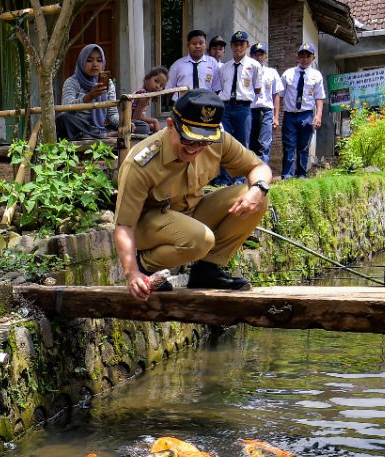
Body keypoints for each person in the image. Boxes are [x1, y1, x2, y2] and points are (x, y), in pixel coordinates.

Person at [114, 88, 272, 300]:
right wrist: (132, 271)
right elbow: (124, 226)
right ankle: (147, 265)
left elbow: (259, 167)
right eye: (189, 140)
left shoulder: (218, 141)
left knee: (258, 196)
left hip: (191, 215)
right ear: (171, 126)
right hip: (150, 227)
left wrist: (258, 189)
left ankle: (208, 270)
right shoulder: (142, 162)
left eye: (204, 141)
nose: (196, 148)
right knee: (200, 239)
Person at [215, 31, 262, 185]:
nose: (238, 47)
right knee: (224, 142)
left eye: (242, 44)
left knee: (242, 143)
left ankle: (240, 178)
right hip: (226, 108)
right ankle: (224, 178)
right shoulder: (224, 68)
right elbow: (220, 88)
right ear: (231, 46)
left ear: (247, 46)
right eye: (235, 44)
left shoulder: (254, 65)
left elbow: (257, 89)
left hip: (243, 108)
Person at [279, 42, 325, 179]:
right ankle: (287, 175)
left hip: (306, 115)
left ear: (313, 58)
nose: (304, 59)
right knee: (288, 145)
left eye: (308, 56)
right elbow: (279, 95)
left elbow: (319, 98)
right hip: (290, 115)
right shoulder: (288, 74)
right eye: (302, 55)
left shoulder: (316, 75)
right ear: (297, 57)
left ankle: (301, 174)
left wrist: (318, 116)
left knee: (303, 146)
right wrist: (275, 115)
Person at [57, 44, 120, 141]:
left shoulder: (108, 83)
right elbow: (66, 108)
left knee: (141, 126)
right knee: (63, 118)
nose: (95, 64)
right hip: (79, 126)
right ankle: (100, 135)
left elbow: (112, 114)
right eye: (89, 60)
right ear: (82, 62)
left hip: (101, 127)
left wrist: (124, 123)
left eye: (99, 60)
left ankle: (98, 134)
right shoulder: (72, 82)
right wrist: (89, 97)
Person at [249, 43, 283, 163]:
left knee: (264, 144)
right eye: (255, 54)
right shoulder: (246, 72)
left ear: (266, 56)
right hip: (250, 110)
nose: (258, 57)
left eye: (261, 54)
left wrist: (276, 117)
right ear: (251, 56)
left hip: (266, 111)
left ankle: (262, 176)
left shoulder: (271, 72)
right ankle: (249, 174)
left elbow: (276, 95)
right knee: (250, 143)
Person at [133, 67, 169, 134]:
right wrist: (154, 121)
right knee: (145, 128)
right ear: (147, 78)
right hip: (131, 122)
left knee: (152, 126)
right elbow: (136, 117)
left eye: (161, 85)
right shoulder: (144, 96)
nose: (158, 86)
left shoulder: (145, 94)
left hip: (137, 121)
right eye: (156, 81)